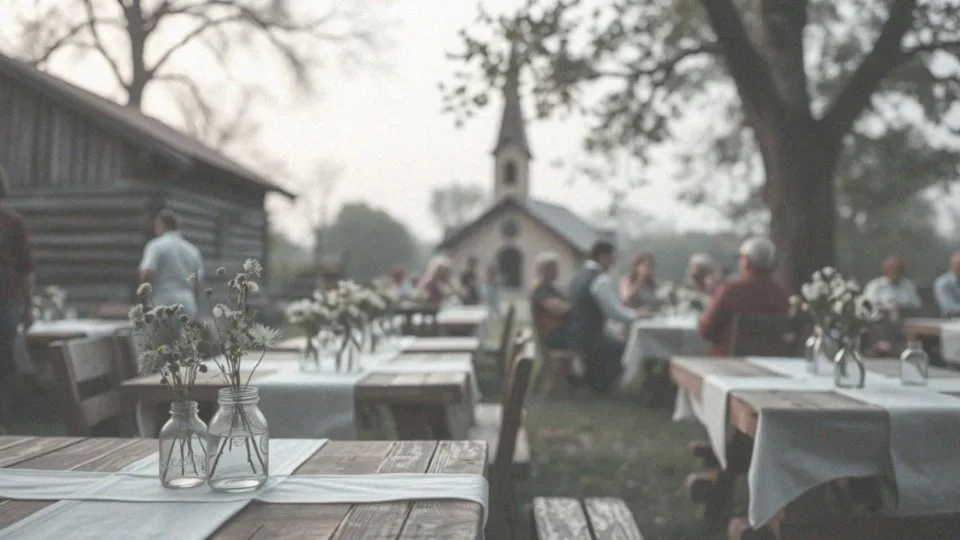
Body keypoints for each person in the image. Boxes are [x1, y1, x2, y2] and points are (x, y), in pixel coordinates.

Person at [568, 241, 645, 394]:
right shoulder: (600, 280)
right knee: (629, 349)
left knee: (616, 343)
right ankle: (599, 385)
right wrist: (638, 315)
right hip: (590, 337)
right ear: (603, 257)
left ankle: (591, 380)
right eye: (612, 257)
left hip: (574, 333)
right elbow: (614, 313)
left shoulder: (578, 275)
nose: (614, 262)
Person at [698, 237, 790, 356]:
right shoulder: (781, 294)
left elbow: (706, 331)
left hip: (727, 361)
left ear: (746, 261)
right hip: (769, 361)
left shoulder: (730, 291)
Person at [0, 164, 36, 433]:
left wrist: (28, 306)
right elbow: (27, 268)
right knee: (4, 359)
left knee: (4, 357)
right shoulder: (13, 221)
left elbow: (26, 267)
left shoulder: (12, 221)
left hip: (7, 297)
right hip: (8, 296)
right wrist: (29, 306)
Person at [138, 209, 204, 318]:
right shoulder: (192, 250)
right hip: (187, 304)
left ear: (161, 225)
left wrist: (142, 301)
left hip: (162, 302)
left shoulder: (156, 246)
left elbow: (146, 274)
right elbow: (198, 283)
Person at [530, 252, 570, 349]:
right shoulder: (540, 289)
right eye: (553, 267)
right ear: (544, 270)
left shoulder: (552, 288)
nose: (557, 271)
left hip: (560, 333)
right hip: (553, 336)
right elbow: (560, 309)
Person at [934, 252, 960, 317]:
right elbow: (949, 309)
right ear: (952, 266)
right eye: (958, 265)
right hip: (952, 320)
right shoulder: (943, 283)